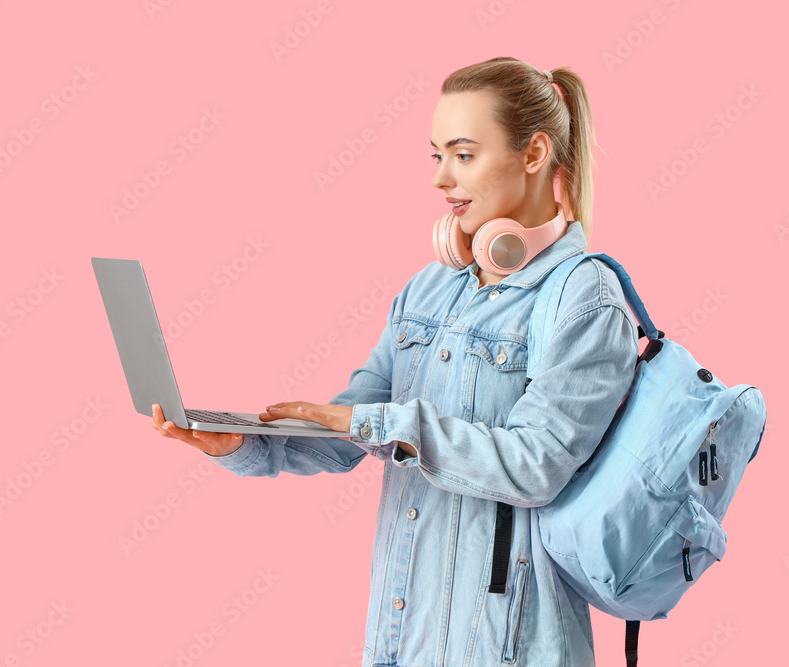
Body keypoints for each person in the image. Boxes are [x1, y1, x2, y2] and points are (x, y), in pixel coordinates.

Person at [151, 56, 639, 667]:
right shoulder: (430, 289)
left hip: (504, 646)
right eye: (436, 156)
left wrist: (375, 424)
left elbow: (534, 466)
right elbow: (350, 428)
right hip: (400, 638)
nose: (441, 178)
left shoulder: (584, 299)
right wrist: (245, 443)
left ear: (535, 153)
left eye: (463, 154)